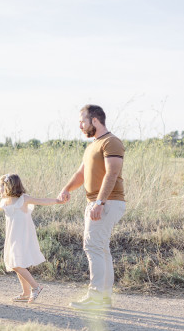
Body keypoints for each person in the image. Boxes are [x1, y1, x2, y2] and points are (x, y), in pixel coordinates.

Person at [58, 104, 126, 310]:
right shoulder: (93, 145)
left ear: (95, 120)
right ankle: (103, 298)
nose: (80, 125)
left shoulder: (111, 142)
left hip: (106, 201)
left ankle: (96, 297)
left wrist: (99, 202)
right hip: (98, 201)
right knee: (100, 248)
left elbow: (112, 173)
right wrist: (67, 188)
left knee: (93, 246)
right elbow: (81, 174)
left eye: (82, 120)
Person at [0, 174, 63, 303]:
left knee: (16, 264)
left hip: (23, 235)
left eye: (0, 186)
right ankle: (25, 293)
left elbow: (42, 201)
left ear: (7, 186)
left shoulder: (23, 199)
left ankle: (36, 287)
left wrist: (58, 200)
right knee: (16, 262)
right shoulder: (4, 202)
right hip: (12, 236)